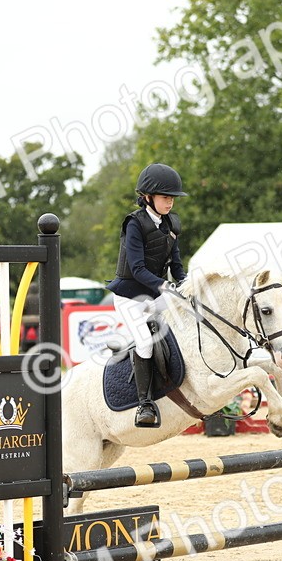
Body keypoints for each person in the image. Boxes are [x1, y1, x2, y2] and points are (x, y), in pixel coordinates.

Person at [105, 162, 188, 428]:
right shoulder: (134, 224)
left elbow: (176, 265)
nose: (170, 203)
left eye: (172, 198)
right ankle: (145, 404)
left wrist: (185, 286)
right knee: (145, 342)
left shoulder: (172, 223)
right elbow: (138, 269)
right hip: (130, 296)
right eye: (166, 197)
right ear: (148, 197)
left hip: (154, 295)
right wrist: (164, 286)